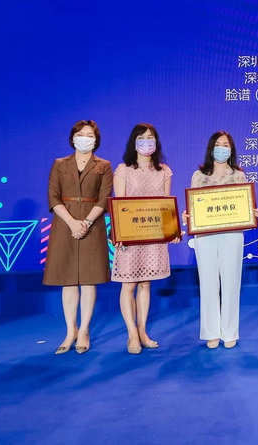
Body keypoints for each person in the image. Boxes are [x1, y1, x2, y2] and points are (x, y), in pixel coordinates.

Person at [44, 120, 113, 355]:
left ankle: (84, 330)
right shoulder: (59, 164)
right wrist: (73, 222)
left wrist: (86, 222)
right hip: (65, 224)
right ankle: (70, 330)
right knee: (69, 280)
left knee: (89, 279)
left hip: (92, 224)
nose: (85, 138)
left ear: (96, 140)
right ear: (73, 138)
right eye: (81, 134)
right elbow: (53, 197)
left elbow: (104, 198)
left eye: (90, 135)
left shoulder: (104, 165)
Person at [112, 123, 179, 354]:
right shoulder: (123, 170)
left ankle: (142, 331)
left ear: (156, 143)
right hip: (130, 237)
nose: (146, 142)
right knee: (129, 284)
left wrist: (172, 231)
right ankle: (131, 334)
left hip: (153, 236)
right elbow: (119, 205)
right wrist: (119, 233)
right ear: (134, 142)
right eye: (141, 138)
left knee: (146, 283)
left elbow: (166, 204)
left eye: (150, 138)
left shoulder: (164, 171)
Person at [188, 131, 256, 350]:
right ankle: (211, 332)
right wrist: (188, 214)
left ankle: (229, 331)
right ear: (211, 148)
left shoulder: (239, 175)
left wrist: (250, 212)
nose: (222, 148)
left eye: (226, 145)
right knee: (208, 283)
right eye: (218, 144)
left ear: (231, 149)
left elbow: (244, 205)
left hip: (232, 235)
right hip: (204, 236)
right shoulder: (199, 175)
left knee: (231, 282)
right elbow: (193, 205)